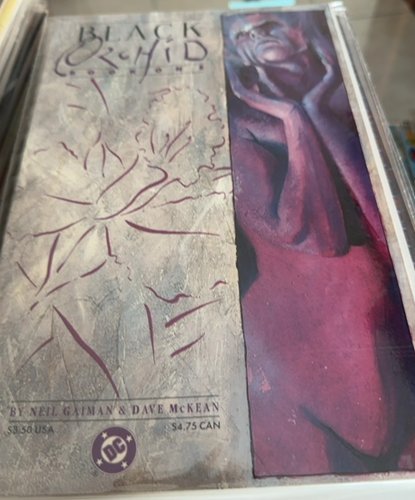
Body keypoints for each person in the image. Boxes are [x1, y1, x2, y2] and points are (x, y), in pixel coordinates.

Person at [223, 11, 415, 475]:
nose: (256, 37)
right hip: (303, 323)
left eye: (268, 25)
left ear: (301, 32)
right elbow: (316, 236)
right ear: (236, 56)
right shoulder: (245, 122)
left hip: (373, 300)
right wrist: (294, 119)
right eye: (244, 34)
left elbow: (384, 220)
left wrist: (312, 109)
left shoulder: (342, 96)